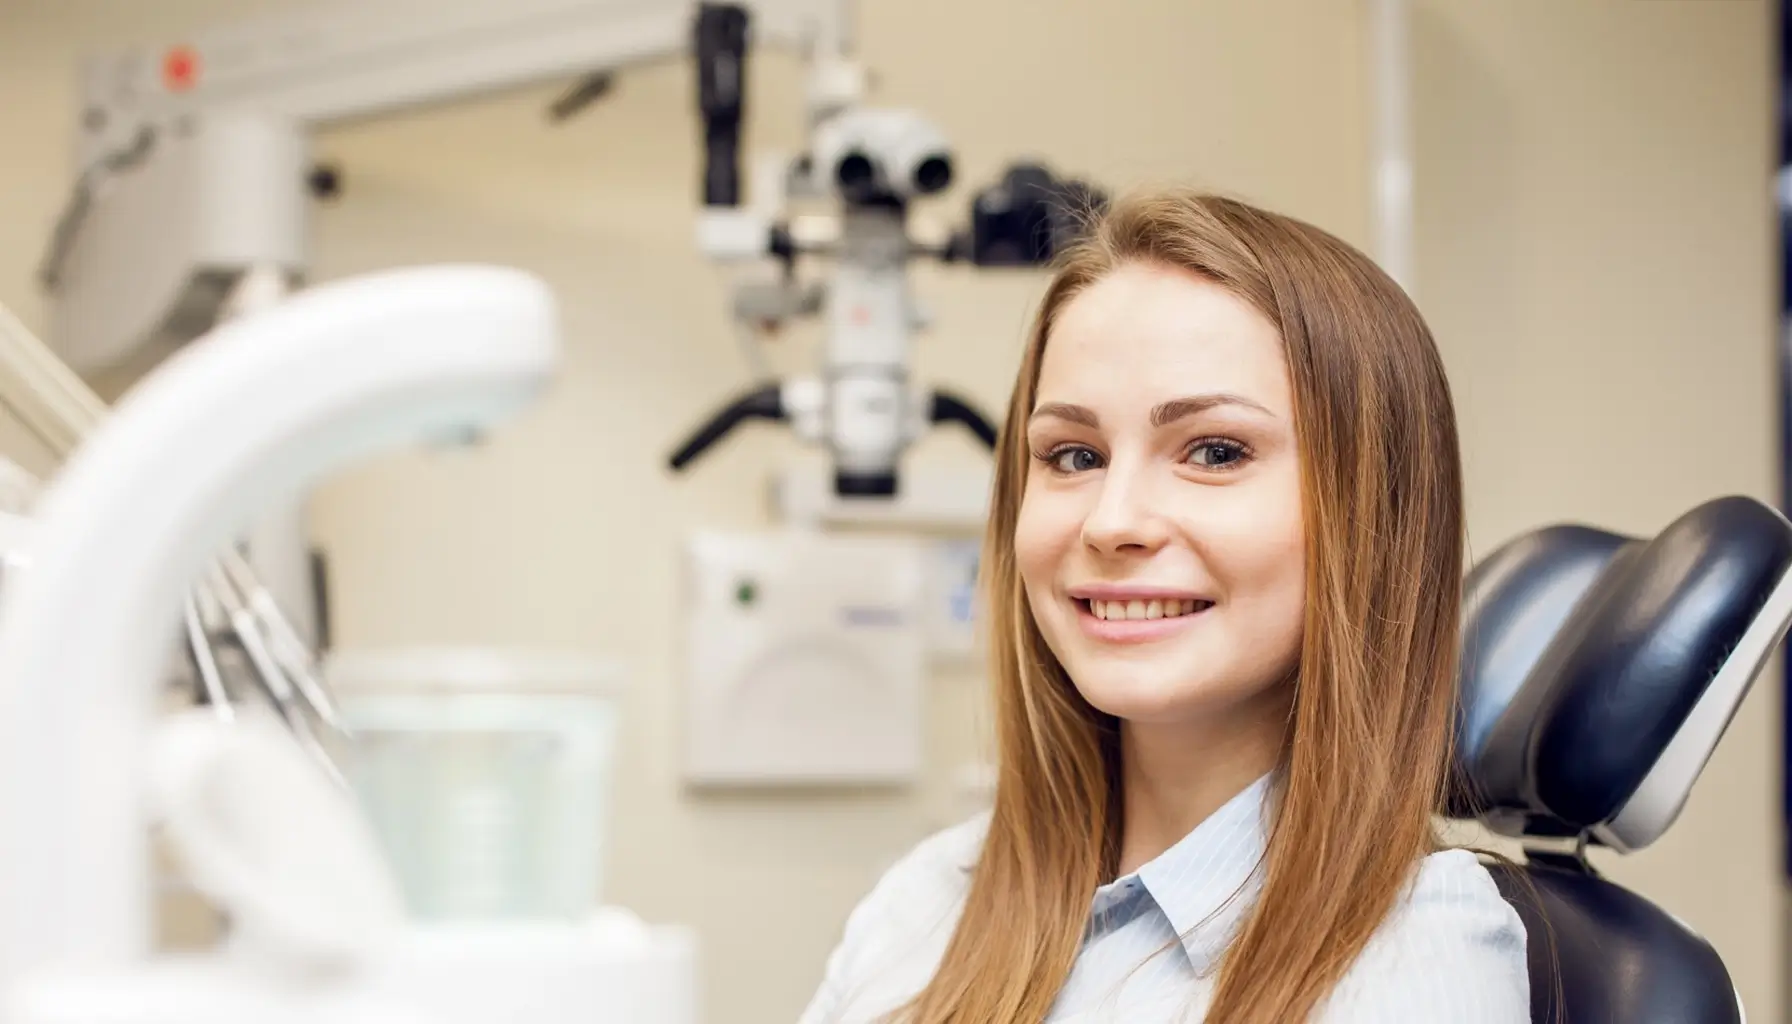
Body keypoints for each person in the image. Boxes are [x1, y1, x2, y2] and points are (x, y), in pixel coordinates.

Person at [795, 187, 1531, 1023]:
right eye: (1073, 455)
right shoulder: (926, 904)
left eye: (1214, 452)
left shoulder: (1414, 954)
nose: (1111, 523)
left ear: (1372, 515)